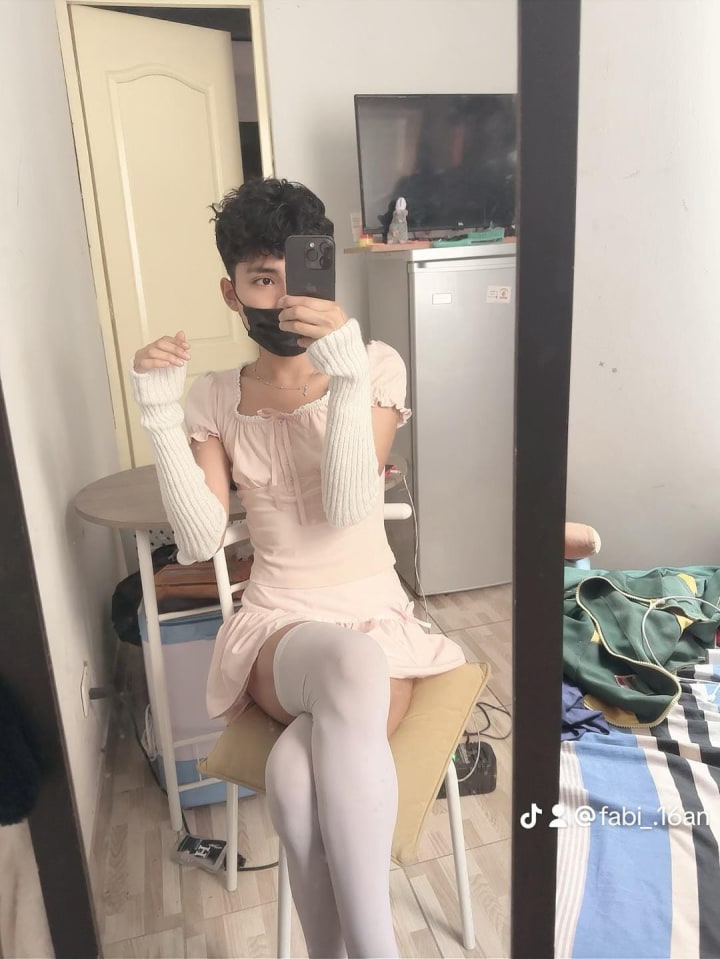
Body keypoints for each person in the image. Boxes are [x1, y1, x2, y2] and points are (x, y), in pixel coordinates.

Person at [130, 177, 465, 958]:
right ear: (231, 293)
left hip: (376, 615)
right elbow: (199, 539)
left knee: (292, 774)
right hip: (280, 626)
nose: (283, 299)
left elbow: (349, 505)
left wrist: (344, 372)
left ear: (326, 274)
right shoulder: (216, 397)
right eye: (261, 279)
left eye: (298, 275)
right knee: (348, 665)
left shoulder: (375, 365)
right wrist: (159, 412)